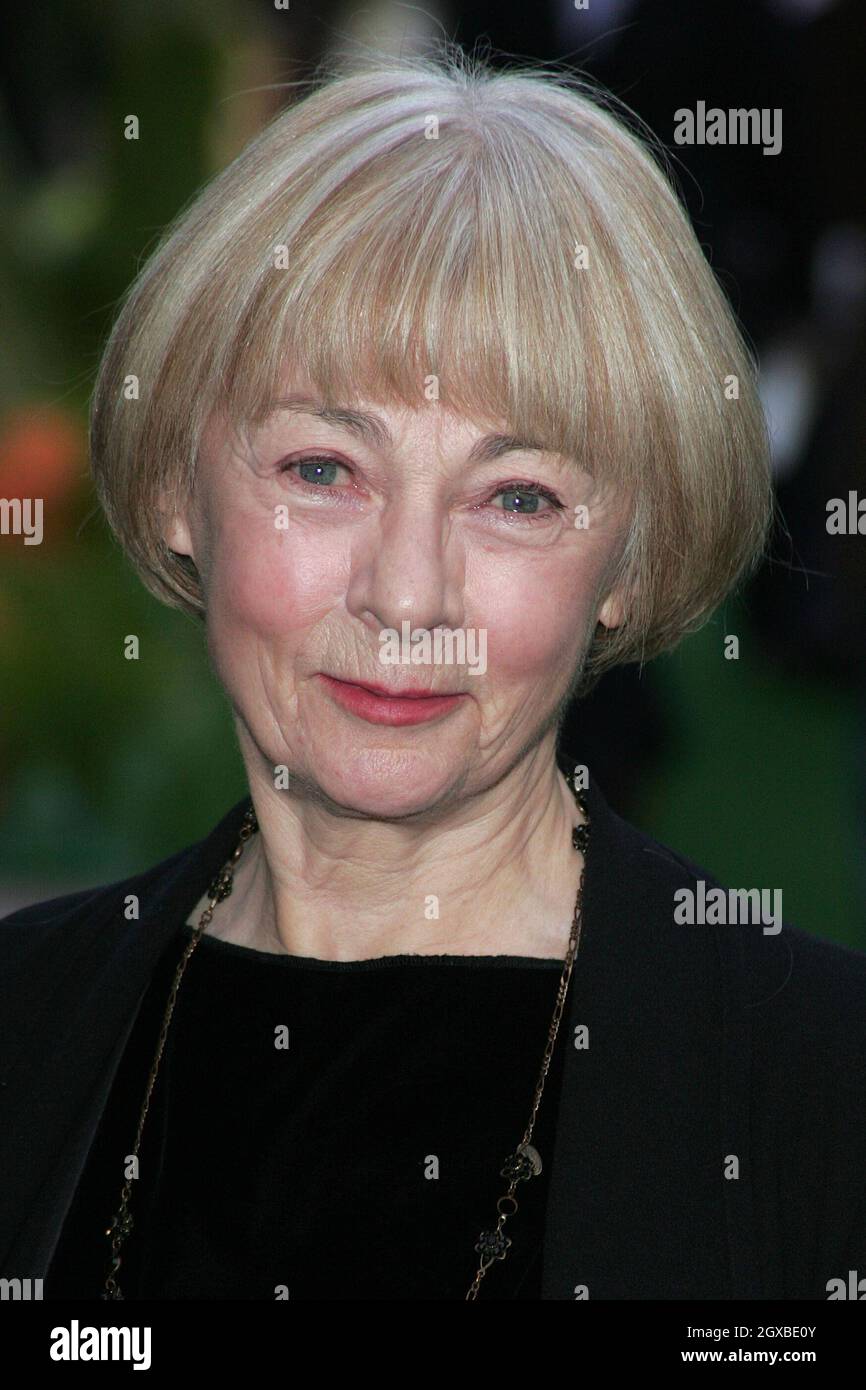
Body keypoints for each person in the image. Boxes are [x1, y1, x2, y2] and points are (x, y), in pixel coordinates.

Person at [2, 44, 864, 1302]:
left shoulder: (816, 1095)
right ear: (172, 492)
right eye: (319, 470)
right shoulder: (25, 1028)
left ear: (630, 555)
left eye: (516, 497)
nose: (407, 594)